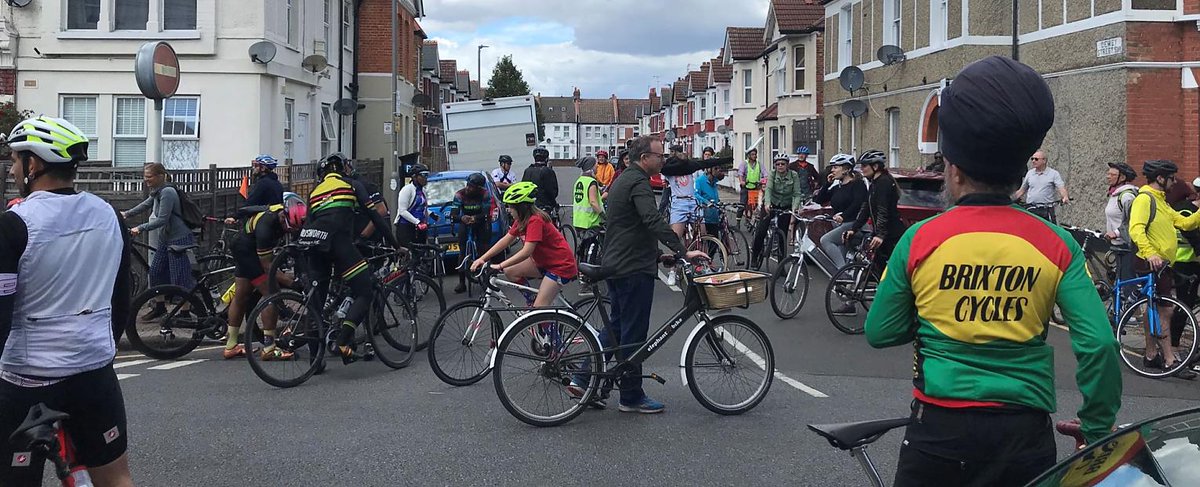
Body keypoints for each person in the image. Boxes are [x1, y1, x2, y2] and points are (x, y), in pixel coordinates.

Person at [865, 56, 1121, 486]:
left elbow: (880, 331)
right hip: (1024, 434)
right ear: (1020, 171)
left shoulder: (920, 240)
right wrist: (1096, 427)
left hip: (937, 431)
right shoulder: (1057, 244)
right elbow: (1099, 345)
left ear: (954, 170)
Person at [0, 116, 134, 486]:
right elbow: (120, 297)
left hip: (27, 379)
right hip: (94, 371)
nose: (12, 170)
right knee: (116, 477)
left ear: (34, 164)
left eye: (15, 160)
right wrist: (103, 349)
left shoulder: (13, 225)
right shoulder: (110, 215)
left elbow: (1, 314)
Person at [594, 135, 706, 414]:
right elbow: (651, 220)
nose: (663, 159)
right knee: (633, 333)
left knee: (617, 327)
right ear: (645, 158)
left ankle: (583, 379)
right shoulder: (639, 182)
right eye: (660, 155)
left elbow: (630, 228)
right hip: (631, 269)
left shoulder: (624, 179)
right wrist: (682, 250)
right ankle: (631, 396)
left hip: (619, 262)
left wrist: (658, 256)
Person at [301, 153, 400, 363]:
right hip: (340, 243)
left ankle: (314, 360)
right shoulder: (352, 185)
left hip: (315, 246)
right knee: (365, 291)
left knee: (316, 303)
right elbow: (376, 216)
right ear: (343, 169)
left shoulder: (314, 192)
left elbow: (308, 224)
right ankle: (343, 341)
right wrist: (396, 245)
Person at [1128, 159, 1200, 376]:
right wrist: (1150, 253)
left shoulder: (1161, 201)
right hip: (1151, 262)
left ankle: (1151, 355)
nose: (1174, 182)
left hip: (1162, 264)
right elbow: (1136, 229)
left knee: (1152, 308)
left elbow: (1184, 223)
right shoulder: (1145, 199)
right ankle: (1169, 360)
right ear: (1160, 178)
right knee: (1165, 310)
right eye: (1171, 178)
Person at [222, 193, 307, 360]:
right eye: (288, 227)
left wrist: (235, 216)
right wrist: (292, 283)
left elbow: (247, 209)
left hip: (243, 245)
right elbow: (268, 267)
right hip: (248, 252)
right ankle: (269, 348)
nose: (289, 230)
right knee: (272, 295)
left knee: (241, 295)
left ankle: (231, 346)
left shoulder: (277, 208)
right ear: (283, 216)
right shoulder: (266, 228)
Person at [471, 181, 577, 308]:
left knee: (539, 308)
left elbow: (526, 251)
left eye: (511, 207)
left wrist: (499, 265)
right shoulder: (521, 220)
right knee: (510, 271)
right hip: (543, 262)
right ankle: (531, 301)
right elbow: (506, 240)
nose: (508, 210)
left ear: (520, 207)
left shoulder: (535, 221)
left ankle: (539, 315)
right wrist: (482, 258)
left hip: (560, 266)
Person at [124, 162, 196, 317]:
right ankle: (160, 306)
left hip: (178, 238)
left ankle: (185, 312)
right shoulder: (157, 191)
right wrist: (127, 214)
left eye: (149, 176)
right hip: (165, 238)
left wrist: (140, 228)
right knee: (155, 272)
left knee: (180, 277)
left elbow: (162, 219)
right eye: (145, 176)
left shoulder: (167, 192)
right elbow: (146, 204)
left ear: (160, 176)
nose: (146, 180)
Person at [843, 150, 905, 273]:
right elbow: (866, 208)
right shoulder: (874, 184)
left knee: (892, 270)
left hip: (892, 234)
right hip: (882, 233)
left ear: (875, 166)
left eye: (864, 165)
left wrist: (880, 235)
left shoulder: (884, 183)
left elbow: (883, 210)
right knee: (876, 267)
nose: (862, 169)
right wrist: (854, 228)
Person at [750, 155, 806, 269]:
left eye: (783, 164)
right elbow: (769, 189)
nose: (780, 166)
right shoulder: (772, 174)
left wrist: (795, 207)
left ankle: (781, 266)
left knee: (782, 235)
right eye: (777, 164)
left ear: (787, 165)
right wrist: (767, 203)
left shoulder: (793, 175)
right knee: (761, 231)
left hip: (785, 205)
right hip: (771, 203)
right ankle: (755, 257)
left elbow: (796, 193)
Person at [813, 153, 867, 269]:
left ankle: (842, 274)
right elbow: (819, 200)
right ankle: (845, 276)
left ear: (846, 169)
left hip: (853, 224)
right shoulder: (838, 187)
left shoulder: (858, 184)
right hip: (839, 225)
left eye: (835, 167)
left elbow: (858, 204)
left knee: (826, 240)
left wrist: (843, 216)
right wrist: (827, 184)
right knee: (842, 255)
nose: (832, 170)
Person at [450, 172, 493, 294]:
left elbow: (486, 213)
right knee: (462, 250)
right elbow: (454, 215)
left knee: (484, 248)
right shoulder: (459, 194)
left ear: (479, 188)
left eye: (472, 187)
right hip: (465, 221)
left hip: (481, 221)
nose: (468, 188)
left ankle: (486, 277)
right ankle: (461, 282)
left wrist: (476, 218)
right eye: (468, 185)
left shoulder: (485, 194)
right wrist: (461, 218)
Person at [1104, 162, 1139, 280]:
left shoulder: (1127, 196)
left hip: (1127, 245)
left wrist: (1116, 233)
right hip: (1117, 245)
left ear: (1122, 178)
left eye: (1112, 175)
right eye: (1108, 173)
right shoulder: (1114, 194)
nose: (1108, 176)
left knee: (1127, 281)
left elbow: (1134, 220)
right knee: (1120, 279)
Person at [1013, 149, 1070, 221]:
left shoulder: (1053, 174)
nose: (1033, 161)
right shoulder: (1030, 173)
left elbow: (1061, 188)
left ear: (1044, 160)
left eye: (1036, 159)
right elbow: (1022, 190)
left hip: (1047, 209)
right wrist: (1010, 199)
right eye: (1032, 159)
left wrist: (1065, 197)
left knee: (1049, 227)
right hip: (1031, 209)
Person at [343, 157, 389, 243]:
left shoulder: (363, 183)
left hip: (368, 240)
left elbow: (381, 210)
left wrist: (363, 237)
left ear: (346, 168)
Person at [573, 156, 605, 260]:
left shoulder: (579, 180)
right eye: (595, 165)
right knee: (594, 245)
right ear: (590, 167)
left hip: (579, 220)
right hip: (590, 221)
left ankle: (581, 260)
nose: (597, 167)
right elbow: (593, 202)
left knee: (585, 247)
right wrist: (603, 215)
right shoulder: (591, 182)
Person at [394, 163, 431, 248]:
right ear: (414, 177)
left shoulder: (423, 191)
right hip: (406, 228)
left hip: (419, 228)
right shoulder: (407, 190)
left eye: (427, 175)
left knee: (422, 251)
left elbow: (421, 208)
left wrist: (431, 214)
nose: (426, 178)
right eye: (423, 175)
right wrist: (417, 222)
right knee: (410, 252)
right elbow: (402, 211)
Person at [695, 164, 725, 236]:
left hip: (715, 217)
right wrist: (706, 202)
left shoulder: (714, 181)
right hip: (705, 218)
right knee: (707, 239)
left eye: (719, 168)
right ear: (708, 170)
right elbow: (695, 195)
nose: (718, 170)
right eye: (716, 168)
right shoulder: (700, 181)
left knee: (716, 239)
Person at [657, 144, 685, 216]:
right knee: (664, 201)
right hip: (668, 184)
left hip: (679, 184)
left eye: (672, 151)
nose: (670, 153)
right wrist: (663, 180)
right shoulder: (668, 161)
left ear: (677, 152)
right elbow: (663, 170)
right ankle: (660, 215)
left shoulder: (683, 162)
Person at [738, 147, 764, 223]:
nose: (754, 156)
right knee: (742, 205)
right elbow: (740, 174)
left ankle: (758, 219)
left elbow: (765, 174)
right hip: (746, 186)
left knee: (760, 204)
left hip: (756, 186)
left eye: (755, 154)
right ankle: (738, 222)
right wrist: (742, 181)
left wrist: (762, 180)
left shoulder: (759, 164)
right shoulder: (744, 164)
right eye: (752, 154)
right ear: (748, 155)